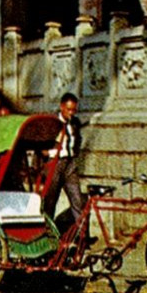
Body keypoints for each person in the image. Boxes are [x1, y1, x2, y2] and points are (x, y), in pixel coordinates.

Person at [43, 92, 86, 227]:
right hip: (55, 163)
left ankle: (81, 235)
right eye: (69, 109)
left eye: (74, 110)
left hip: (70, 163)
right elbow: (41, 145)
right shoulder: (51, 123)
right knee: (50, 201)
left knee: (77, 199)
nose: (71, 113)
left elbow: (78, 139)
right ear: (62, 107)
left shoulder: (75, 123)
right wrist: (50, 153)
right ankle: (47, 231)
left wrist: (74, 154)